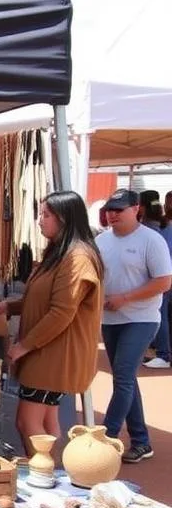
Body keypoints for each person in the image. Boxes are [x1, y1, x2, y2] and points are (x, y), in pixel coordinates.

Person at [0, 191, 103, 454]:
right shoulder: (60, 252)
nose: (39, 221)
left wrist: (24, 346)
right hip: (48, 353)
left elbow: (61, 312)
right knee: (46, 421)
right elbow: (43, 298)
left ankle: (43, 474)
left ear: (65, 218)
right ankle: (51, 474)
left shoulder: (77, 257)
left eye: (46, 215)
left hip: (53, 356)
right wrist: (9, 306)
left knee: (28, 422)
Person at [95, 189, 172, 463]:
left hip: (141, 319)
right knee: (125, 380)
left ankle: (106, 437)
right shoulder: (101, 241)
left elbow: (164, 281)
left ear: (136, 209)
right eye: (110, 210)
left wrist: (125, 298)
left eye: (119, 209)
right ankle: (141, 441)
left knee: (123, 377)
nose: (112, 214)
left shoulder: (151, 240)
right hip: (110, 320)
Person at [141, 191, 172, 369]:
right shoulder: (162, 224)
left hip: (161, 277)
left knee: (160, 315)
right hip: (163, 276)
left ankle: (163, 354)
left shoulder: (152, 227)